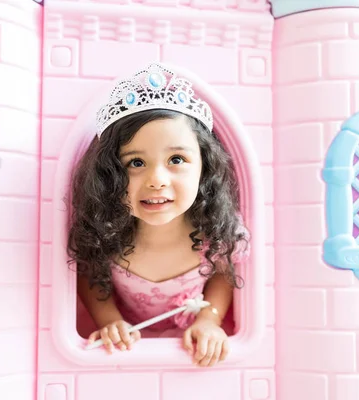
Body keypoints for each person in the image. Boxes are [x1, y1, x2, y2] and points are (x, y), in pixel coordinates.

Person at [68, 63, 249, 367]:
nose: (157, 179)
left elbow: (223, 274)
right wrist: (110, 320)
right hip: (128, 352)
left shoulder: (215, 233)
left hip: (192, 355)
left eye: (176, 159)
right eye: (136, 163)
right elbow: (89, 275)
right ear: (111, 174)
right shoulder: (106, 232)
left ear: (204, 168)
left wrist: (209, 319)